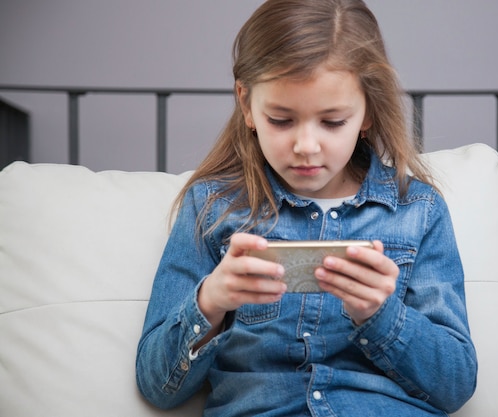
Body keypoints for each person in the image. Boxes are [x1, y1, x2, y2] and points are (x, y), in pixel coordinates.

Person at [136, 0, 477, 415]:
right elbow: (157, 386)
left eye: (332, 122)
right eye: (281, 120)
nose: (306, 146)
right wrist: (211, 301)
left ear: (367, 110)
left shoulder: (418, 209)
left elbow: (456, 383)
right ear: (246, 105)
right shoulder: (213, 206)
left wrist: (381, 314)